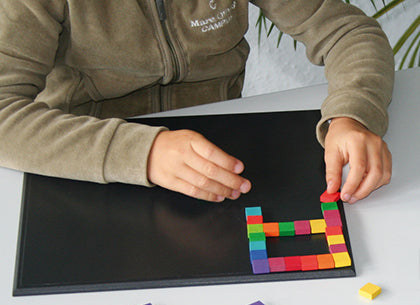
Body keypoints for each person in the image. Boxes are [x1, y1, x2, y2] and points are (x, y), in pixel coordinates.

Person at [0, 1, 394, 204]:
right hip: (82, 161)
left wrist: (352, 114)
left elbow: (348, 32)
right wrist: (144, 151)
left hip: (224, 152)